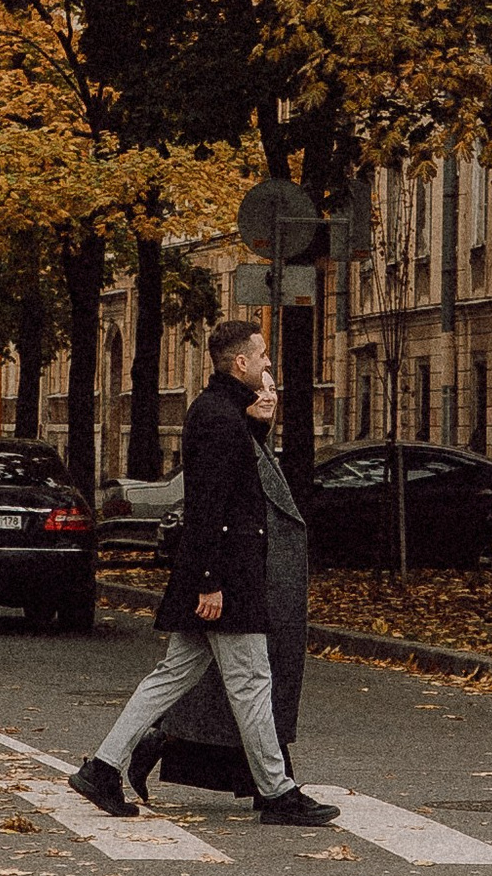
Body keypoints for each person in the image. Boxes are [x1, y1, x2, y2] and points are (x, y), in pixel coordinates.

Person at [71, 317, 339, 828]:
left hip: (222, 575)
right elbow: (209, 507)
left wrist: (260, 423)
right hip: (227, 578)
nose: (266, 364)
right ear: (240, 362)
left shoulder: (223, 412)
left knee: (170, 677)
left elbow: (235, 483)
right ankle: (278, 791)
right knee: (254, 683)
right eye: (261, 356)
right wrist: (210, 581)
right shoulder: (218, 418)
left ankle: (102, 767)